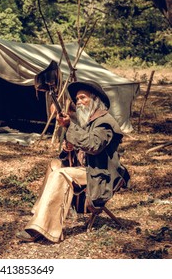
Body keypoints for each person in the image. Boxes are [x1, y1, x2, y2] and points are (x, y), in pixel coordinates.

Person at [16, 80, 130, 243]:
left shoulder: (105, 122)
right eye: (77, 99)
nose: (79, 102)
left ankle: (42, 228)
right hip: (88, 168)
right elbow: (83, 144)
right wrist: (70, 147)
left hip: (101, 174)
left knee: (61, 175)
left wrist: (70, 127)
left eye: (83, 98)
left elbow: (93, 146)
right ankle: (40, 212)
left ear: (95, 100)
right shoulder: (88, 121)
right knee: (54, 164)